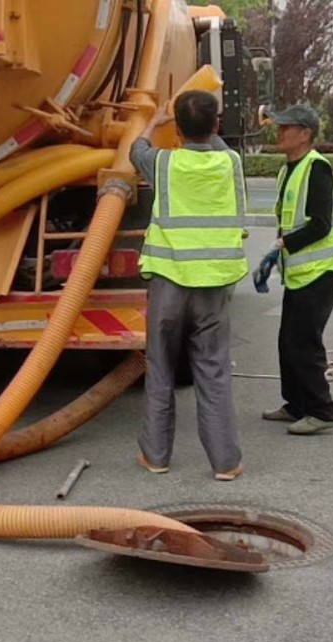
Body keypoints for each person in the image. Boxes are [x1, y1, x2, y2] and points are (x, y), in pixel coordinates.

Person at [131, 89, 249, 481]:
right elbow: (209, 139)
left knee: (160, 369)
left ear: (177, 130)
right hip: (214, 286)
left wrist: (155, 122)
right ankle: (225, 463)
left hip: (169, 284)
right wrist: (203, 123)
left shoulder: (162, 165)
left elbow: (136, 149)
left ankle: (156, 457)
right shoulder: (231, 163)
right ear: (217, 126)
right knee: (213, 372)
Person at [253, 104, 333, 435]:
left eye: (285, 127)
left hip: (322, 272)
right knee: (287, 341)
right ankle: (296, 404)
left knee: (304, 343)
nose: (279, 132)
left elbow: (321, 225)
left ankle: (323, 410)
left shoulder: (317, 168)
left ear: (305, 133)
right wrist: (274, 258)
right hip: (300, 273)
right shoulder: (288, 169)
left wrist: (283, 246)